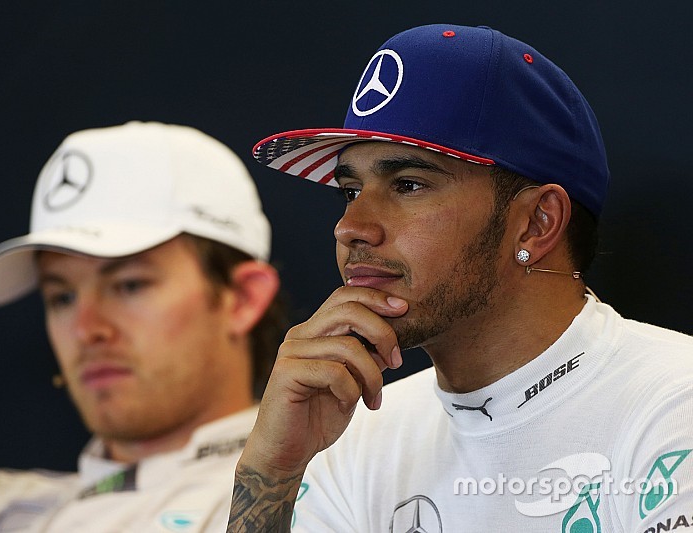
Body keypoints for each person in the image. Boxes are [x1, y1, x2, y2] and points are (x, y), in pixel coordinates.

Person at [228, 24, 693, 532]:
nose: (351, 226)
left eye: (408, 184)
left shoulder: (674, 403)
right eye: (349, 190)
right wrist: (271, 469)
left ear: (538, 223)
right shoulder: (350, 437)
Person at [0, 121, 286, 532]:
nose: (85, 330)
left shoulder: (328, 481)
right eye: (62, 297)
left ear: (243, 298)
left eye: (129, 285)